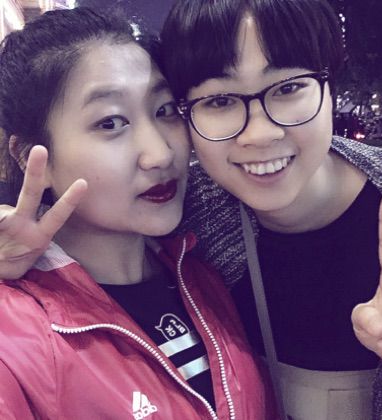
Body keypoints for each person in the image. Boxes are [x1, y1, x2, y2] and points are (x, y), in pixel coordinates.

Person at [0, 7, 276, 419]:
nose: (160, 154)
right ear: (28, 156)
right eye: (111, 123)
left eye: (164, 110)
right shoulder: (17, 335)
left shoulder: (201, 278)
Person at [160, 0, 382, 419]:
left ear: (329, 86)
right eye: (220, 100)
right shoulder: (182, 225)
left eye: (287, 88)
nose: (260, 134)